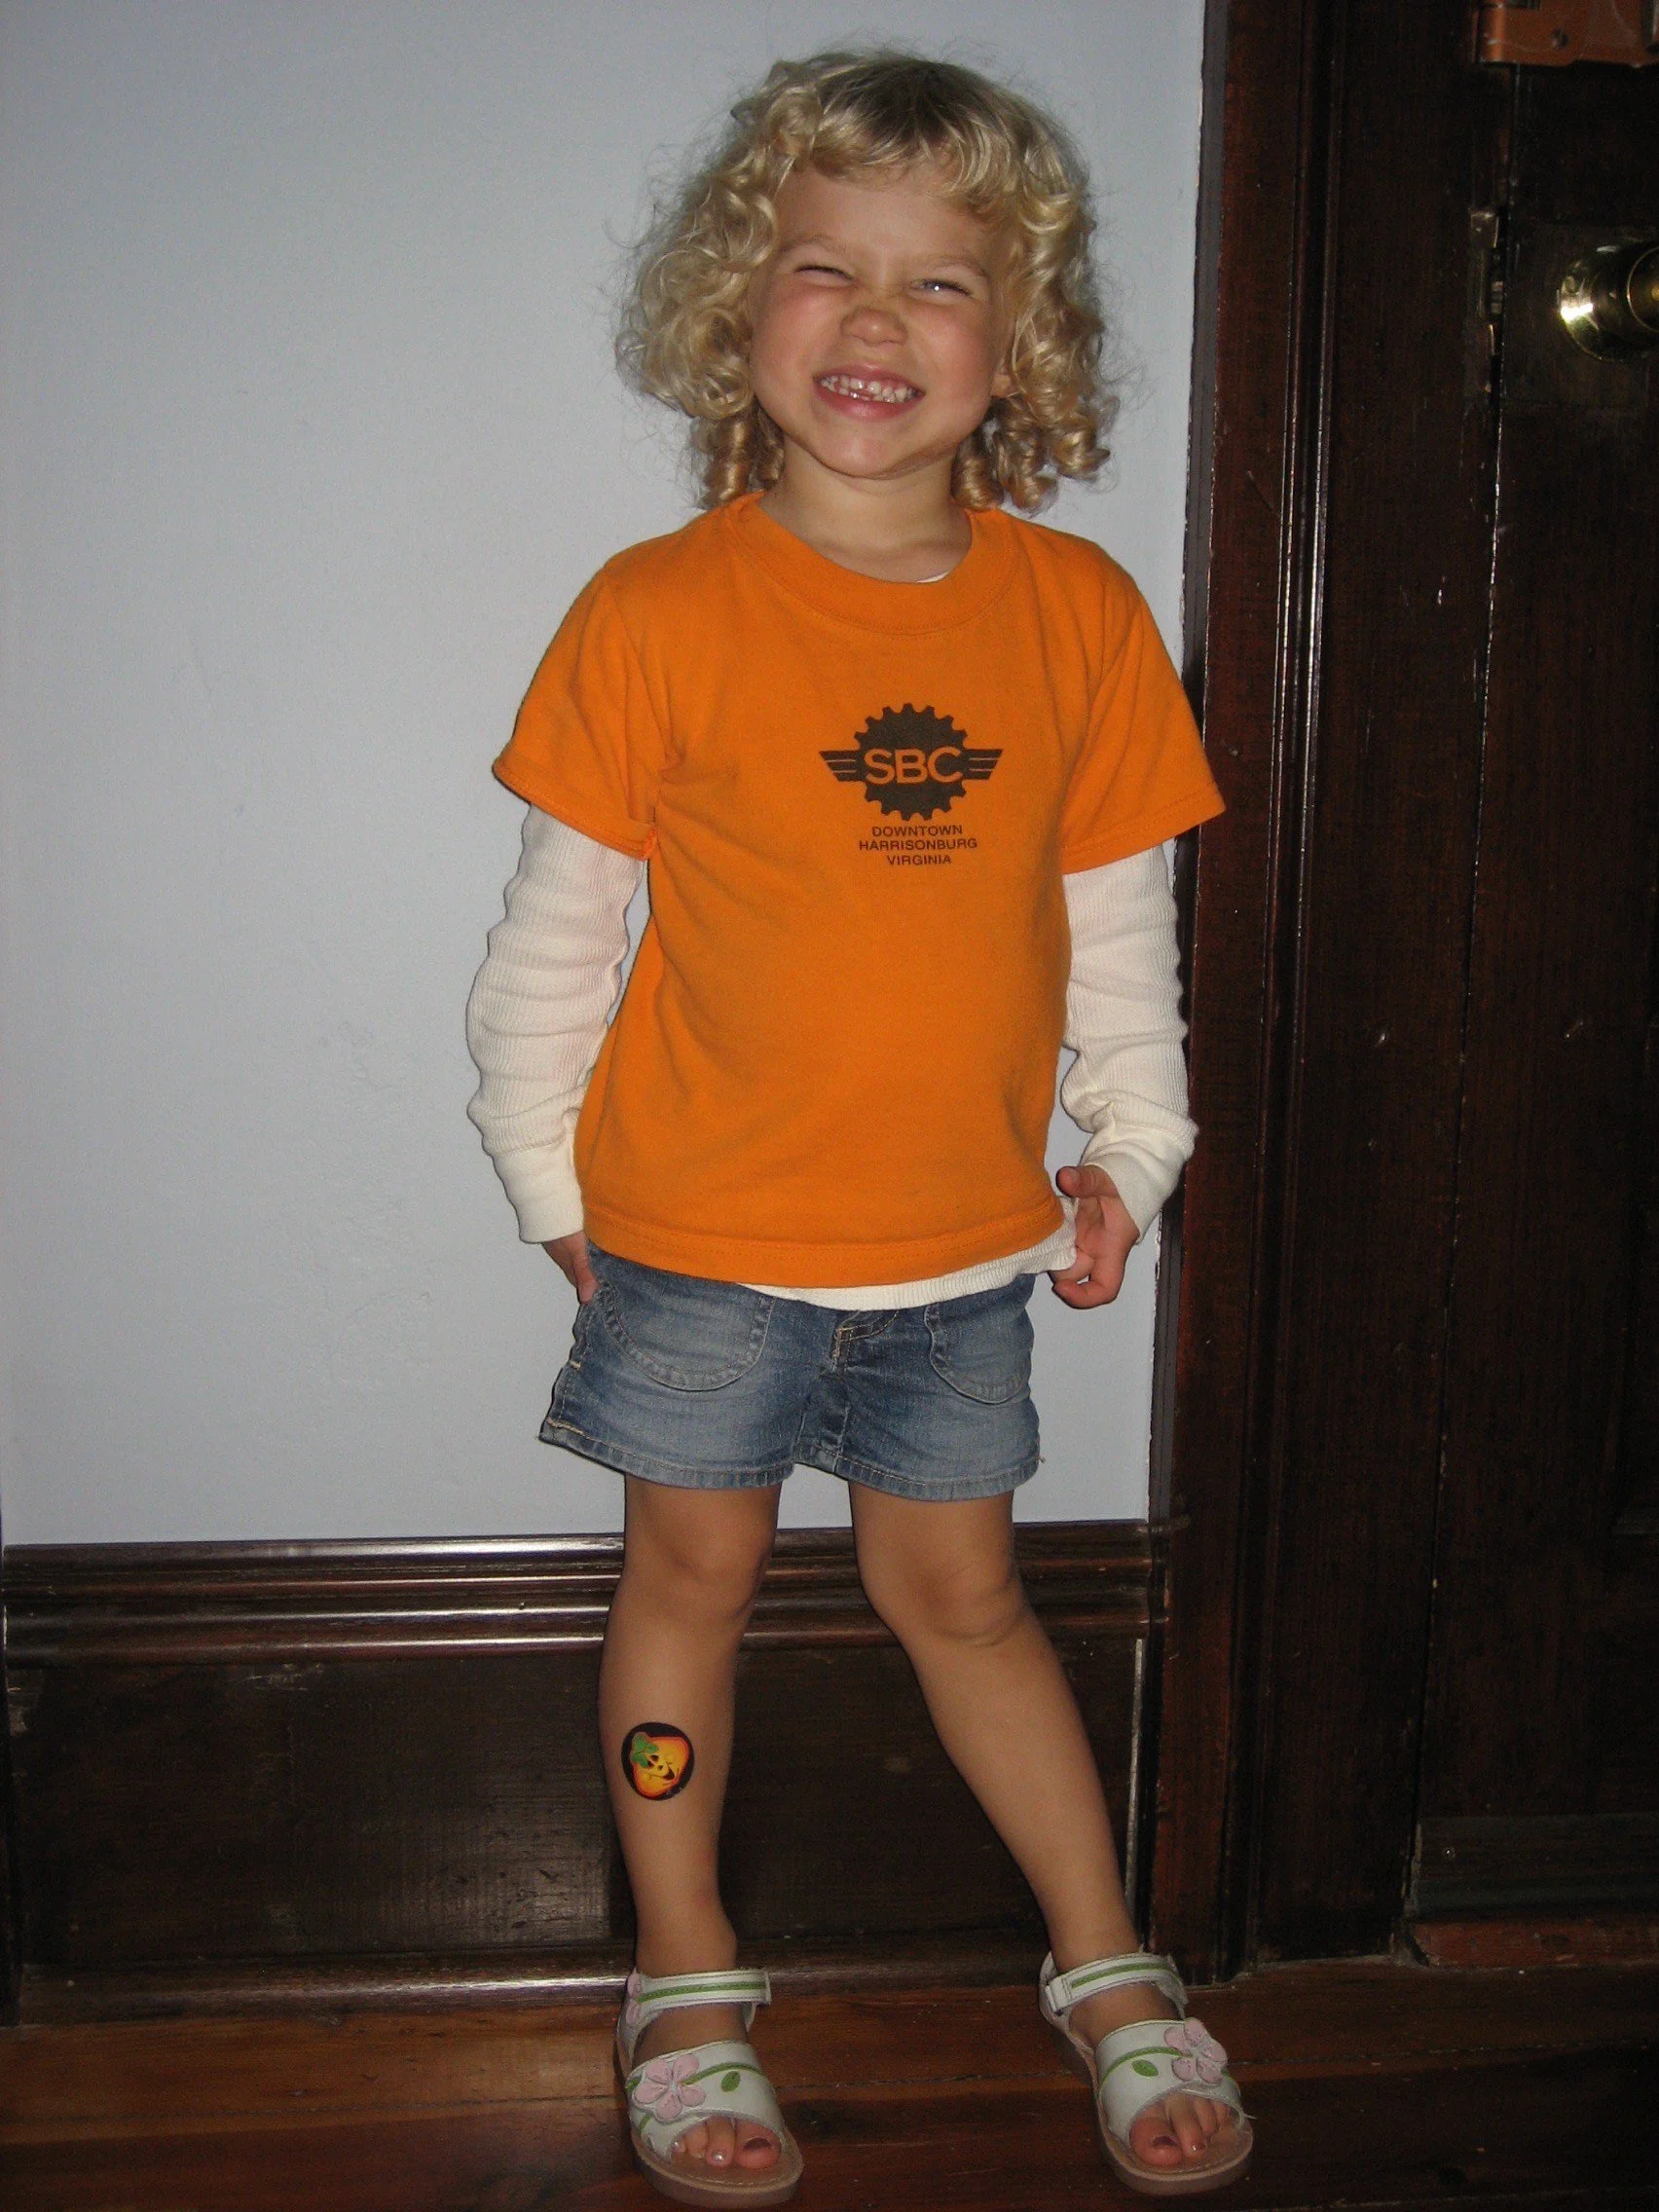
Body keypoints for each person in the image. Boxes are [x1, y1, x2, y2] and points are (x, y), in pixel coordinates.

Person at [466, 50, 1248, 2205]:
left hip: (956, 1259)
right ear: (745, 309)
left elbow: (1120, 950)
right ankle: (686, 1969)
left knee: (968, 1596)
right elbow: (550, 953)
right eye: (828, 270)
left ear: (1021, 347)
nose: (879, 325)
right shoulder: (654, 610)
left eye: (940, 284)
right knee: (687, 1582)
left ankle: (1102, 1958)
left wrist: (1136, 1155)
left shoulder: (1081, 621)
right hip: (696, 1245)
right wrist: (552, 1187)